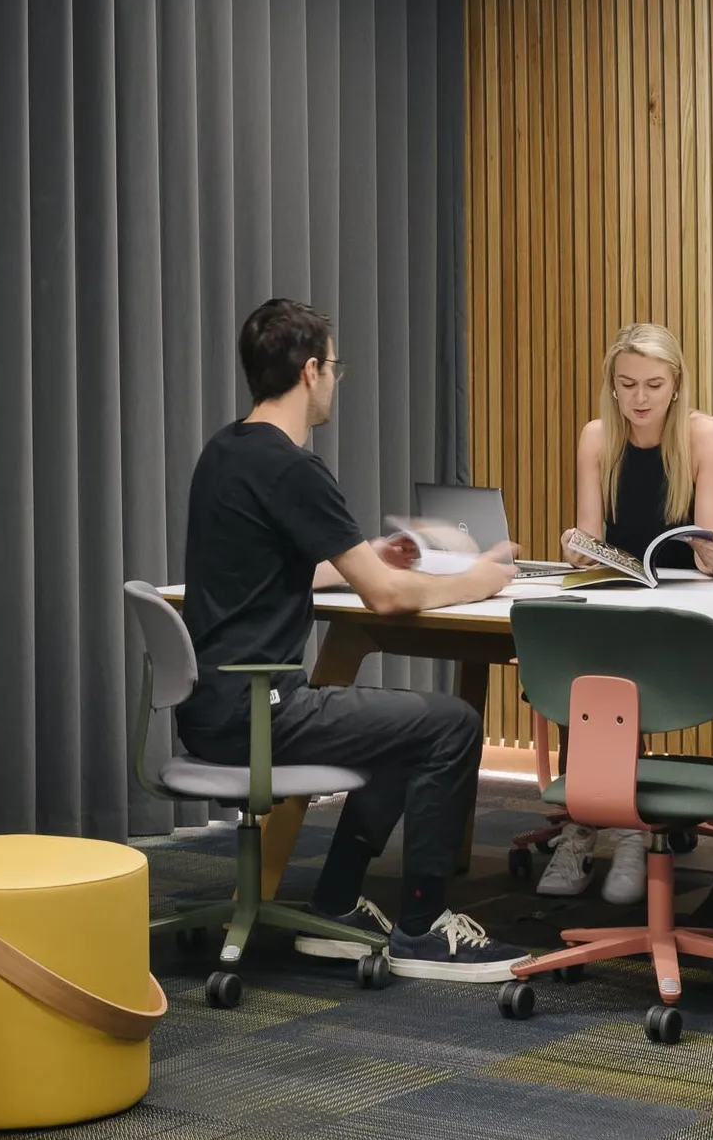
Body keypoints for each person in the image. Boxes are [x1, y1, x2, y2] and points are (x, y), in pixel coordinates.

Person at [180, 297, 529, 982]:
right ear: (310, 371)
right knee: (452, 724)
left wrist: (362, 552)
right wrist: (482, 578)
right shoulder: (294, 467)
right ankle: (424, 929)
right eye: (335, 367)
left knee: (402, 728)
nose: (336, 380)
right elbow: (389, 598)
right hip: (263, 709)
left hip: (213, 707)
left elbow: (280, 565)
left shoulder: (225, 452)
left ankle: (336, 904)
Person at [539, 320, 713, 906]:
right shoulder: (598, 437)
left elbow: (712, 545)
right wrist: (578, 547)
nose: (640, 399)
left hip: (681, 602)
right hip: (620, 594)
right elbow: (591, 540)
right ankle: (583, 825)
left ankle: (627, 833)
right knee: (583, 670)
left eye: (653, 384)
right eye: (627, 385)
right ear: (612, 386)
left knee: (620, 672)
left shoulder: (704, 435)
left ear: (676, 384)